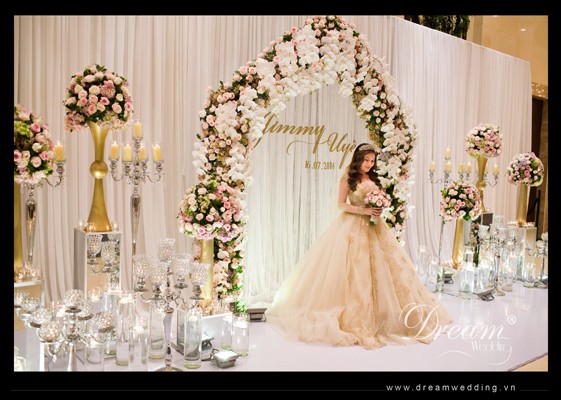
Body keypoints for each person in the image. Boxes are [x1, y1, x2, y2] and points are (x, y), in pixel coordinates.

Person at [266, 143, 451, 349]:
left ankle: (385, 314)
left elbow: (377, 201)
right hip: (352, 226)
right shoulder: (349, 176)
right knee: (354, 270)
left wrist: (379, 208)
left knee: (385, 269)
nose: (369, 164)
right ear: (358, 159)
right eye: (366, 160)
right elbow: (341, 204)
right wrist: (363, 211)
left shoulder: (373, 178)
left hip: (375, 227)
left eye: (372, 161)